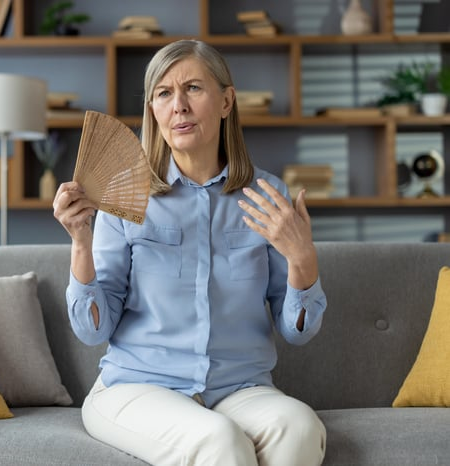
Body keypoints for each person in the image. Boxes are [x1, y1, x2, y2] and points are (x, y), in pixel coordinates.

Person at [53, 39, 327, 466]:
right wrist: (81, 242)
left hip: (239, 389)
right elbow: (94, 330)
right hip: (138, 388)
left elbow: (297, 331)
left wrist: (302, 260)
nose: (178, 105)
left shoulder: (268, 196)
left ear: (226, 101)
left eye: (193, 88)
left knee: (301, 428)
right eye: (164, 93)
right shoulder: (124, 197)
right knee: (219, 440)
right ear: (153, 111)